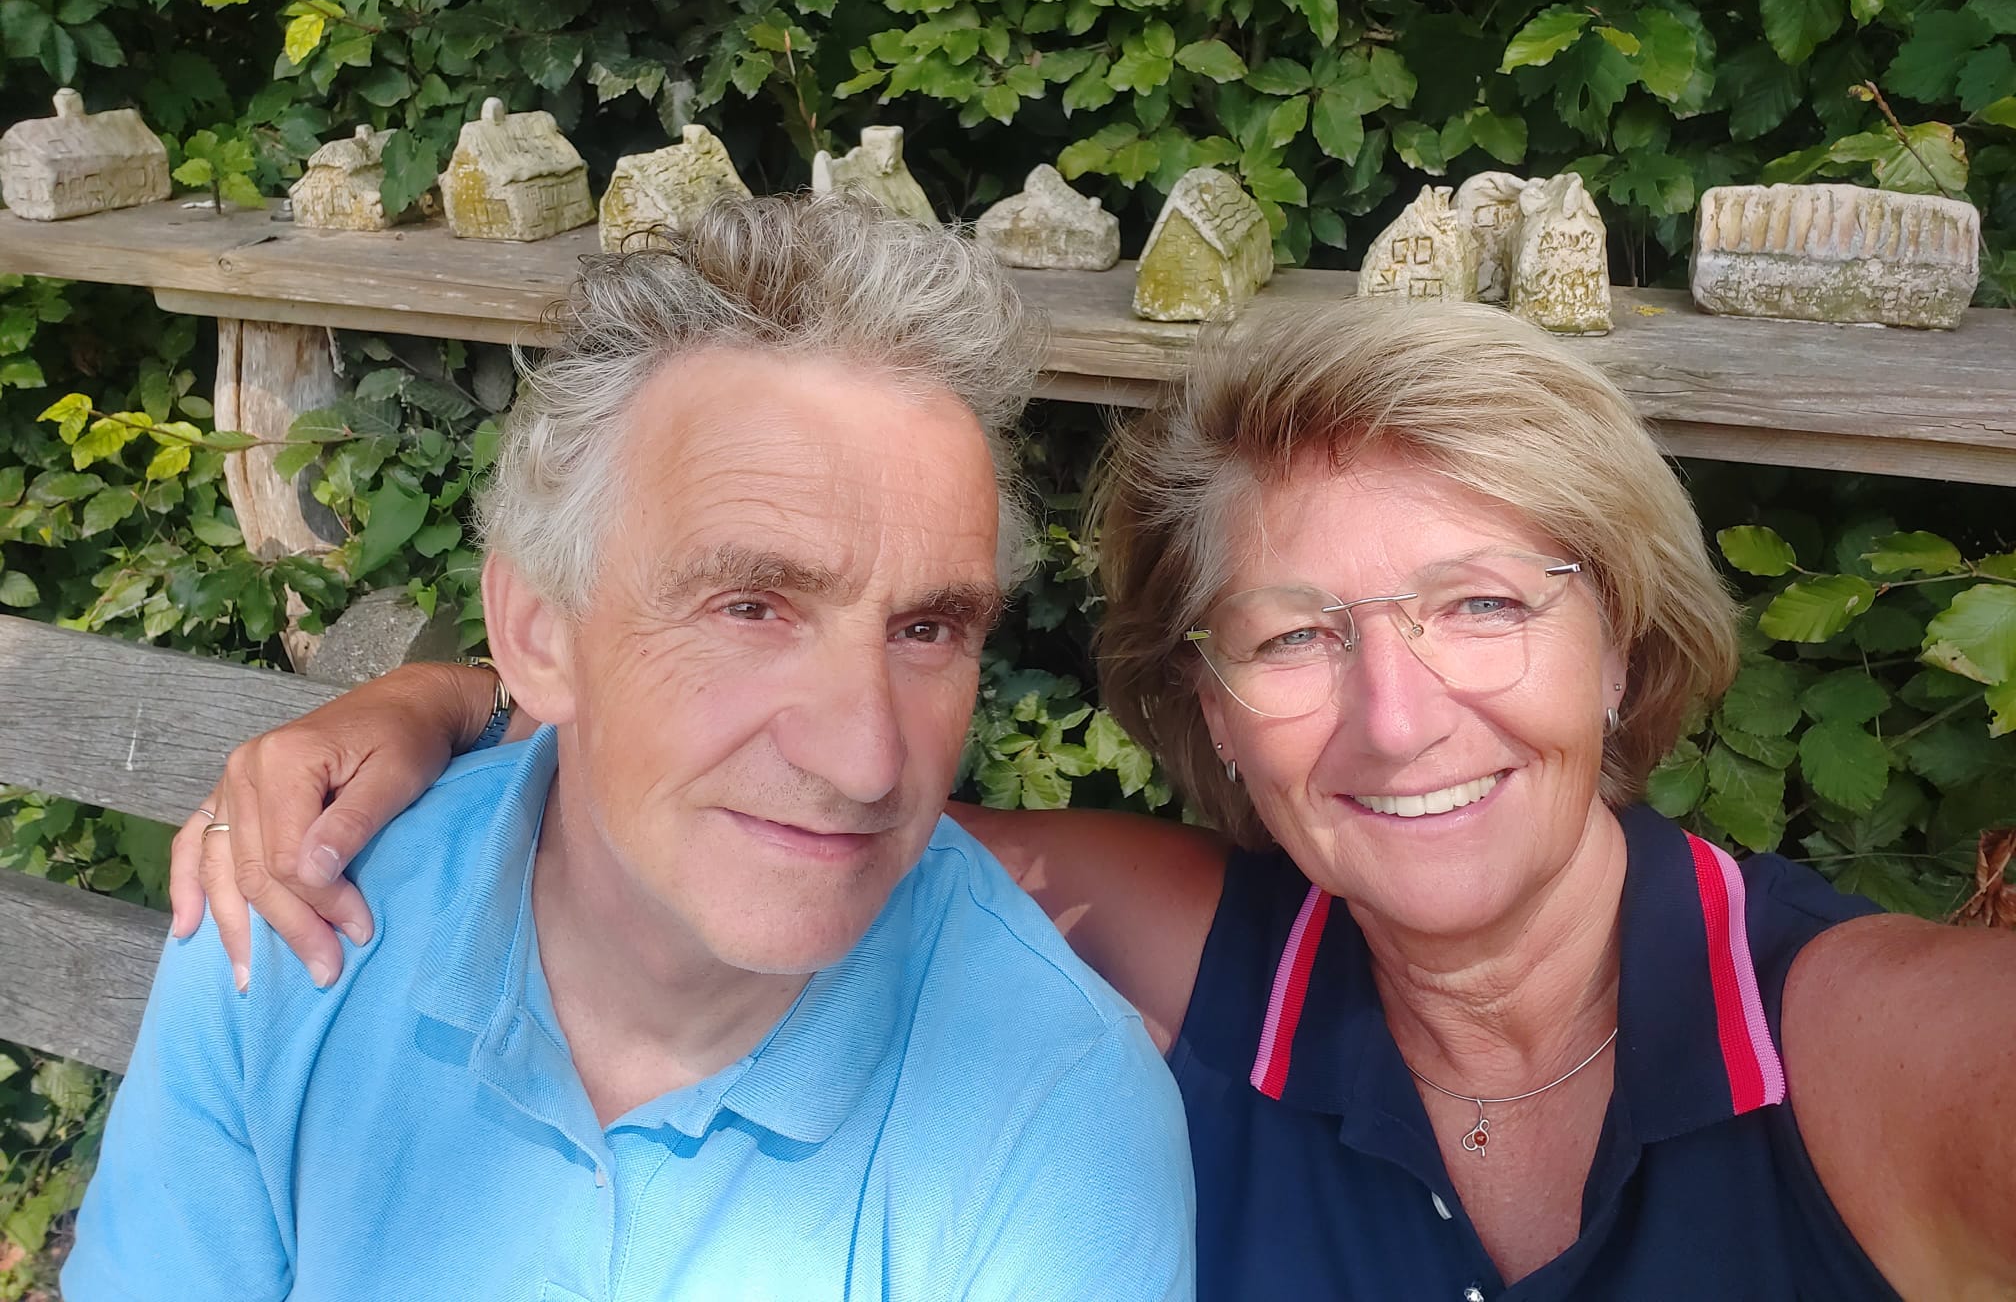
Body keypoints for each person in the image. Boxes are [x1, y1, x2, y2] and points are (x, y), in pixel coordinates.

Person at [178, 297, 2016, 1300]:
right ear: (1212, 708)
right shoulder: (1213, 958)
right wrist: (452, 703)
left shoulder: (1860, 1045)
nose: (1397, 719)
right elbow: (750, 809)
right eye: (1295, 637)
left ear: (1620, 643)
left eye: (1482, 606)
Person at [65, 196, 1195, 1301]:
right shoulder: (285, 918)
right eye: (750, 607)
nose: (866, 761)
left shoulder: (1056, 1122)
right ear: (537, 633)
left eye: (929, 629)